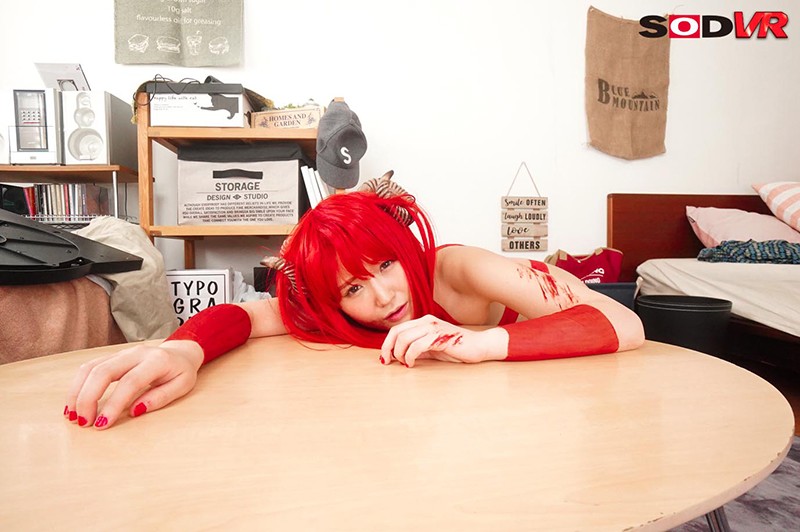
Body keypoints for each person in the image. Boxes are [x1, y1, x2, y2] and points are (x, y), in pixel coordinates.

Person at [64, 173, 644, 430]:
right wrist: (183, 349)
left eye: (386, 264)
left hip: (563, 385)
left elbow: (622, 321)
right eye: (353, 288)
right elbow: (247, 314)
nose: (385, 296)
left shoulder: (459, 269)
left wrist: (480, 343)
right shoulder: (333, 310)